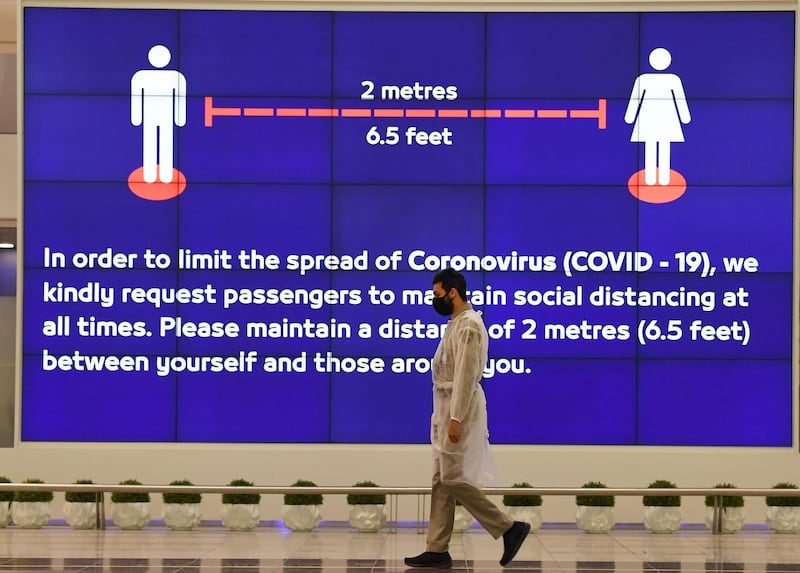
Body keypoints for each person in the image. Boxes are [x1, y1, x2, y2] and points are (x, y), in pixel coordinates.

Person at [405, 268, 530, 569]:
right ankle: (437, 548)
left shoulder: (469, 326)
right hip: (445, 409)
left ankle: (508, 528)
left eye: (437, 294)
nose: (435, 300)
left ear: (453, 292)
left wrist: (456, 417)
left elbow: (464, 375)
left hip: (458, 410)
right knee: (440, 480)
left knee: (452, 477)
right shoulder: (456, 323)